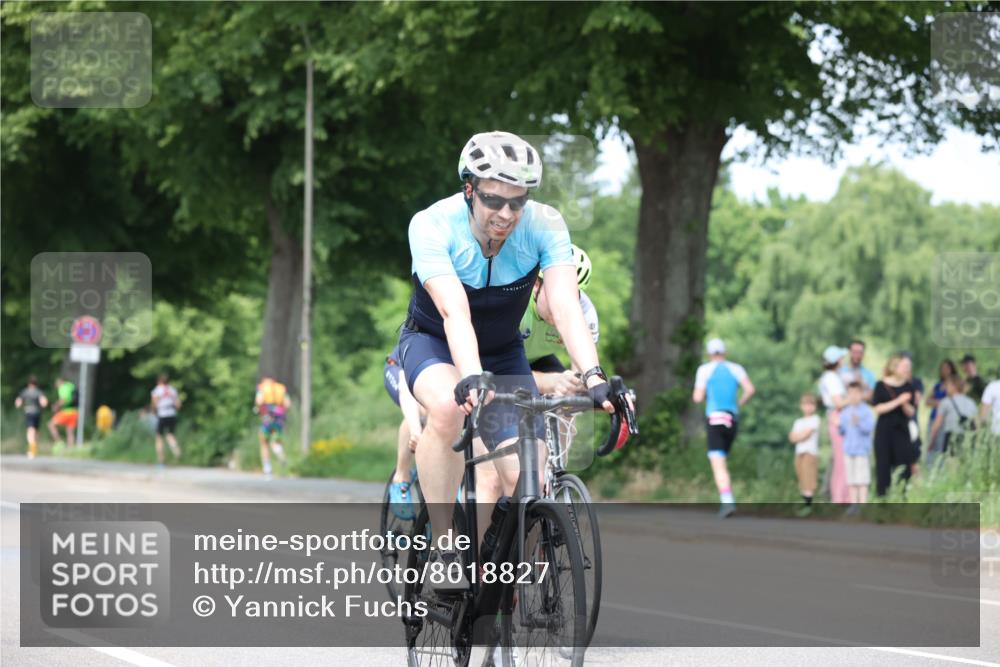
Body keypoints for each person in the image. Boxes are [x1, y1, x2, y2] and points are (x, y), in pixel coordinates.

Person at [399, 130, 615, 592]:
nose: (506, 214)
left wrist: (594, 375)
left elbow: (563, 302)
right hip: (435, 342)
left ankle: (495, 564)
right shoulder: (432, 225)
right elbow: (454, 310)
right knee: (444, 409)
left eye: (518, 203)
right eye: (495, 200)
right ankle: (444, 548)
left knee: (526, 480)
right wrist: (473, 378)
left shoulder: (546, 224)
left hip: (502, 350)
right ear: (469, 189)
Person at [520, 244, 599, 396]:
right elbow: (493, 369)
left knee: (570, 394)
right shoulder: (517, 302)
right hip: (499, 358)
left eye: (571, 294)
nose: (561, 303)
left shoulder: (585, 312)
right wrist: (549, 382)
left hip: (539, 359)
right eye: (554, 292)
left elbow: (581, 374)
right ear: (536, 285)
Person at [692, 338, 755, 518]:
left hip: (715, 419)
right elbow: (750, 389)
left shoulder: (704, 370)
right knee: (723, 460)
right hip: (732, 419)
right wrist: (739, 402)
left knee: (718, 464)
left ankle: (727, 500)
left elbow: (697, 397)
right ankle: (727, 497)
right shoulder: (736, 368)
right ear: (724, 352)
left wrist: (709, 400)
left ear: (709, 354)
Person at [384, 346, 427, 520]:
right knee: (421, 408)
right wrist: (416, 430)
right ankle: (401, 477)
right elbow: (406, 387)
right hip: (398, 369)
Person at [872, 354, 918, 497]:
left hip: (902, 432)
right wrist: (898, 401)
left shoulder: (909, 387)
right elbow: (878, 408)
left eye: (908, 367)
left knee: (903, 466)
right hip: (884, 432)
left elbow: (911, 412)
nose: (906, 369)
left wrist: (905, 403)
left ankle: (902, 498)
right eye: (904, 366)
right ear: (895, 366)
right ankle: (882, 500)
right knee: (883, 467)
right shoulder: (880, 385)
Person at [819, 346, 849, 504]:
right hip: (838, 416)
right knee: (842, 460)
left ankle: (841, 497)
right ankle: (840, 498)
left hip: (837, 416)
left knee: (840, 459)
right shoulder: (831, 378)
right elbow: (838, 402)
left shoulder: (832, 376)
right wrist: (855, 398)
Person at [839, 382, 875, 511]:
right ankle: (854, 505)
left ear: (861, 394)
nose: (853, 396)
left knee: (862, 479)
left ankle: (863, 504)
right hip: (849, 449)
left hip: (862, 450)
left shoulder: (866, 411)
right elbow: (842, 431)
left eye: (856, 393)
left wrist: (858, 422)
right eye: (850, 393)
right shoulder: (845, 412)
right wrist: (839, 425)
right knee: (851, 479)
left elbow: (869, 428)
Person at [928, 375, 978, 463]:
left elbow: (937, 425)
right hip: (968, 437)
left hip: (951, 437)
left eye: (947, 386)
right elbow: (976, 425)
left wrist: (931, 441)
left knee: (951, 467)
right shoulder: (971, 402)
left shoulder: (945, 402)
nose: (945, 388)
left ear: (954, 386)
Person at [788, 393, 820, 516]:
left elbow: (805, 434)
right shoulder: (798, 421)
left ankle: (809, 505)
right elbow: (792, 437)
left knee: (809, 478)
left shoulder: (815, 419)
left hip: (809, 452)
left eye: (811, 404)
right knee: (801, 478)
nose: (808, 407)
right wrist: (799, 436)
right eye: (805, 404)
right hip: (799, 453)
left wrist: (798, 436)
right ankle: (804, 502)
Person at [255, 376, 291, 477]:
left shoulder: (262, 388)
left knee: (264, 442)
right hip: (279, 417)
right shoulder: (281, 388)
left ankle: (267, 469)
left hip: (267, 417)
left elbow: (259, 401)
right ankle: (280, 454)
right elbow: (288, 404)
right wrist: (281, 411)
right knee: (276, 440)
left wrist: (259, 409)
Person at [926, 359, 958, 455]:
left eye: (947, 368)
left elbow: (954, 401)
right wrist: (940, 403)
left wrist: (937, 402)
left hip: (946, 420)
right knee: (931, 446)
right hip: (934, 418)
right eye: (942, 368)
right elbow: (927, 401)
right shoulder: (937, 386)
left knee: (942, 448)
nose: (944, 370)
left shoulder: (955, 385)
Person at [150, 374, 182, 465]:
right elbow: (178, 405)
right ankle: (177, 453)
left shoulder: (157, 390)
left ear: (159, 381)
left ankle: (161, 459)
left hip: (162, 414)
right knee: (170, 435)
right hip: (172, 414)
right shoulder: (172, 390)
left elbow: (154, 404)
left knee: (159, 437)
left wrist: (154, 412)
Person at [15, 376, 48, 459]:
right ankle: (34, 449)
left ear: (29, 384)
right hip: (37, 413)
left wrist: (20, 405)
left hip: (29, 412)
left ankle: (31, 449)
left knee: (30, 431)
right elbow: (44, 402)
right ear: (36, 384)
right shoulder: (39, 392)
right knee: (36, 431)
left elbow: (18, 403)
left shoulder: (25, 392)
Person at [47, 378, 78, 449]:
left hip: (66, 412)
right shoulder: (71, 386)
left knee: (51, 425)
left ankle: (59, 442)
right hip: (75, 412)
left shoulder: (62, 388)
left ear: (60, 382)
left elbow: (63, 400)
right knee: (70, 432)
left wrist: (56, 406)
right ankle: (71, 449)